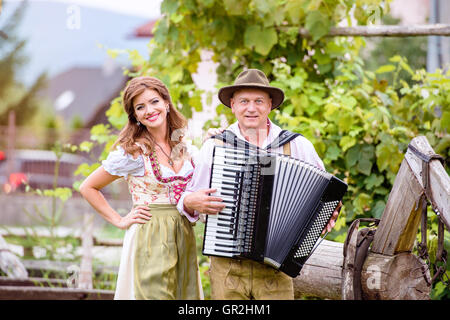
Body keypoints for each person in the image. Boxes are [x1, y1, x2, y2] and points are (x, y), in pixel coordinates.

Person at [177, 68, 341, 300]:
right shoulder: (216, 146)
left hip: (276, 269)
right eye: (244, 101)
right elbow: (188, 198)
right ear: (233, 105)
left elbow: (327, 196)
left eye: (258, 101)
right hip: (228, 268)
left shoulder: (297, 145)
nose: (251, 108)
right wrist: (191, 200)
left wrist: (325, 218)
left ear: (270, 104)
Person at [79, 76, 203, 300]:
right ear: (135, 116)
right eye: (140, 107)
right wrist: (119, 220)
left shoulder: (184, 145)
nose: (149, 110)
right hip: (149, 235)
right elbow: (88, 187)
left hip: (183, 234)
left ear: (166, 103)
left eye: (154, 101)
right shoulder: (133, 153)